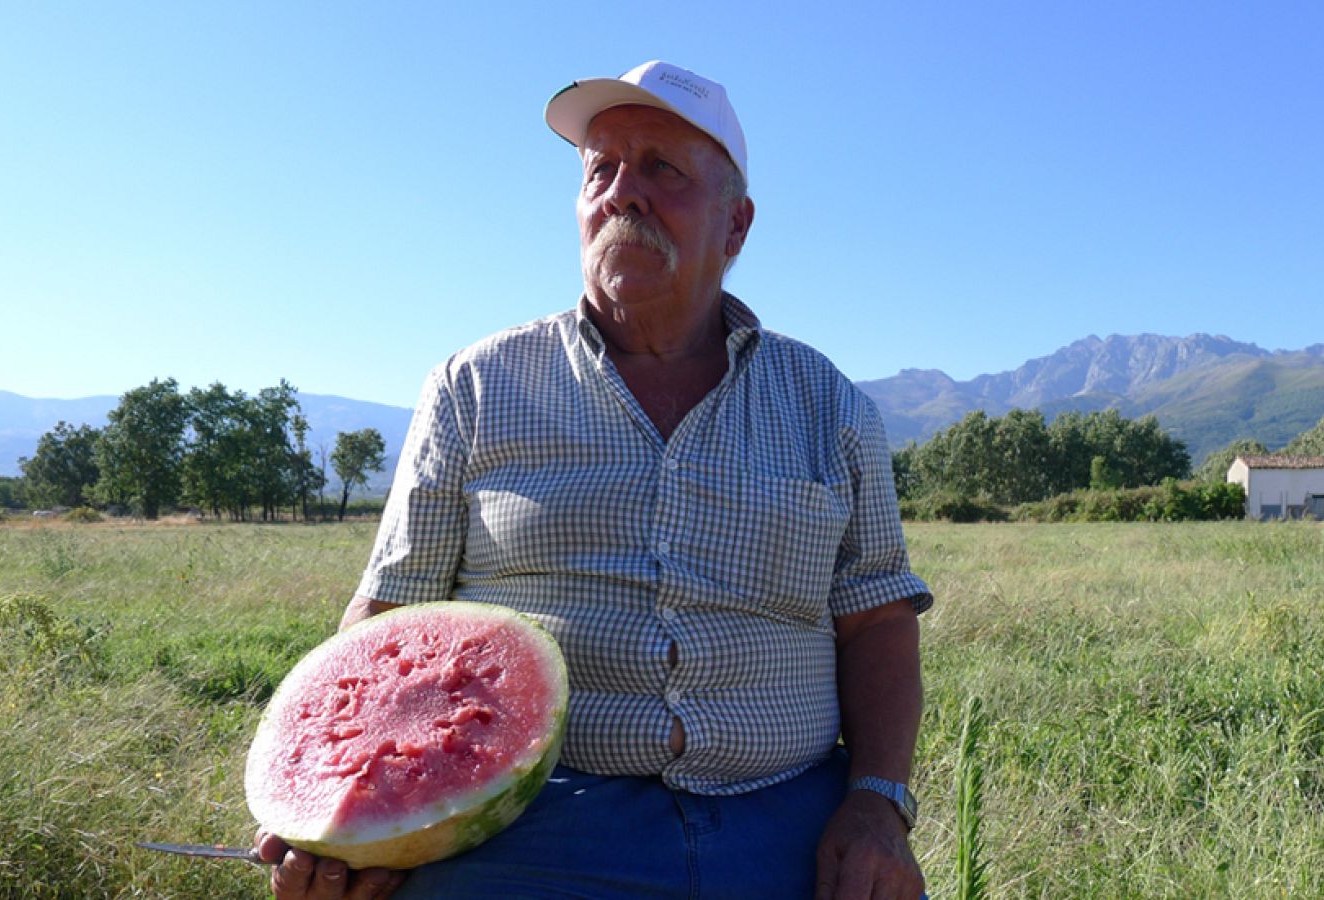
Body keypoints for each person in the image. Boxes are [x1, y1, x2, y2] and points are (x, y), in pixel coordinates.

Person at [258, 60, 931, 900]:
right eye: (600, 170)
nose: (622, 192)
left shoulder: (827, 403)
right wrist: (340, 802)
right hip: (526, 818)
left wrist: (876, 804)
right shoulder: (473, 388)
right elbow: (390, 616)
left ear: (737, 225)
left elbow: (876, 621)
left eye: (662, 168)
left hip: (790, 820)